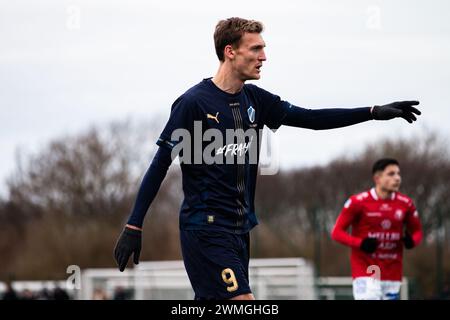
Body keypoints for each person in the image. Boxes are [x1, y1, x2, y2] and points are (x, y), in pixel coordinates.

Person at [114, 17, 421, 300]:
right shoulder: (193, 103)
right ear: (230, 51)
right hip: (205, 228)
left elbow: (312, 118)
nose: (264, 57)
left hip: (240, 230)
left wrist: (372, 112)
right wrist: (134, 226)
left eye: (264, 49)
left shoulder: (256, 100)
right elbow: (160, 163)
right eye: (256, 48)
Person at [331, 158, 423, 300]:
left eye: (398, 173)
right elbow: (337, 232)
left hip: (392, 272)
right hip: (366, 270)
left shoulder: (406, 204)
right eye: (391, 174)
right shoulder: (358, 202)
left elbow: (417, 232)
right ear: (377, 178)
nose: (397, 178)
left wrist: (412, 241)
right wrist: (361, 243)